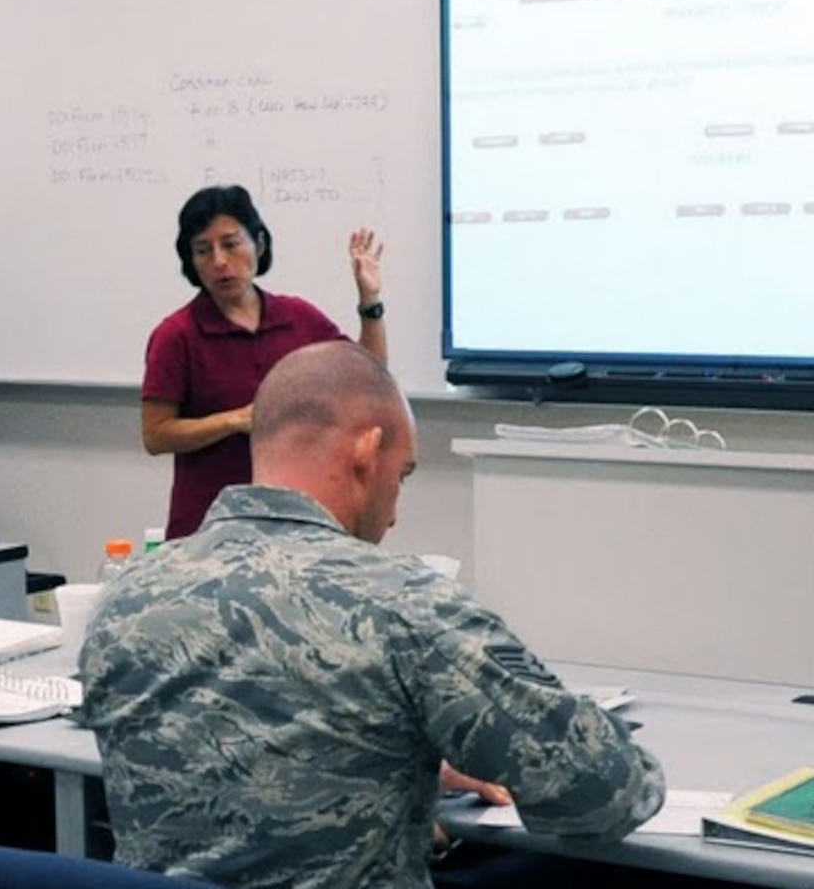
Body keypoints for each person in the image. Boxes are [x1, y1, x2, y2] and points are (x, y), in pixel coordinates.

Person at [85, 341, 664, 888]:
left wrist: (390, 759)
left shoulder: (125, 599)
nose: (395, 513)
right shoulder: (406, 603)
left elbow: (224, 770)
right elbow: (605, 794)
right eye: (403, 473)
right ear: (366, 452)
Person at [139, 184, 389, 539]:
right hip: (208, 531)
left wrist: (370, 301)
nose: (219, 261)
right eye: (203, 251)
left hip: (294, 523)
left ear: (258, 243)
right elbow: (156, 435)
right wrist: (234, 421)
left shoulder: (297, 318)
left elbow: (370, 378)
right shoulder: (177, 334)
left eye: (231, 244)